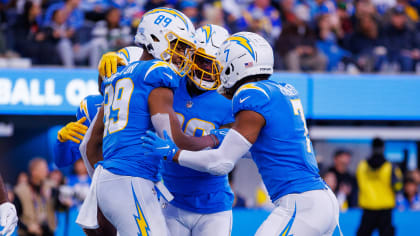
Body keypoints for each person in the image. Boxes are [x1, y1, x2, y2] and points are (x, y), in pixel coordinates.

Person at [141, 31, 340, 236]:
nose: (218, 71)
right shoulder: (281, 89)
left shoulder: (252, 94)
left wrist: (173, 153)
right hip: (320, 199)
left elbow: (221, 163)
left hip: (300, 203)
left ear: (236, 64)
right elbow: (257, 148)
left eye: (222, 64)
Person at [76, 8, 225, 235]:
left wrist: (105, 181)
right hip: (132, 180)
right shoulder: (158, 71)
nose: (183, 55)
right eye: (180, 46)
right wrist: (213, 138)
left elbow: (88, 145)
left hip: (109, 179)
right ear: (156, 38)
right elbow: (174, 139)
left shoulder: (119, 75)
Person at [356, 137, 403, 236]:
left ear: (371, 148)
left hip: (368, 208)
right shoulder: (391, 167)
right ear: (383, 148)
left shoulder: (362, 166)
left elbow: (358, 184)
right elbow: (398, 186)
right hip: (385, 210)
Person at [14, 158, 56, 236]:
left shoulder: (50, 186)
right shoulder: (20, 191)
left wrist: (64, 202)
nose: (47, 171)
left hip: (48, 231)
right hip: (28, 233)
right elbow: (14, 216)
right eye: (44, 169)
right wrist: (27, 227)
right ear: (34, 172)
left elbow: (58, 206)